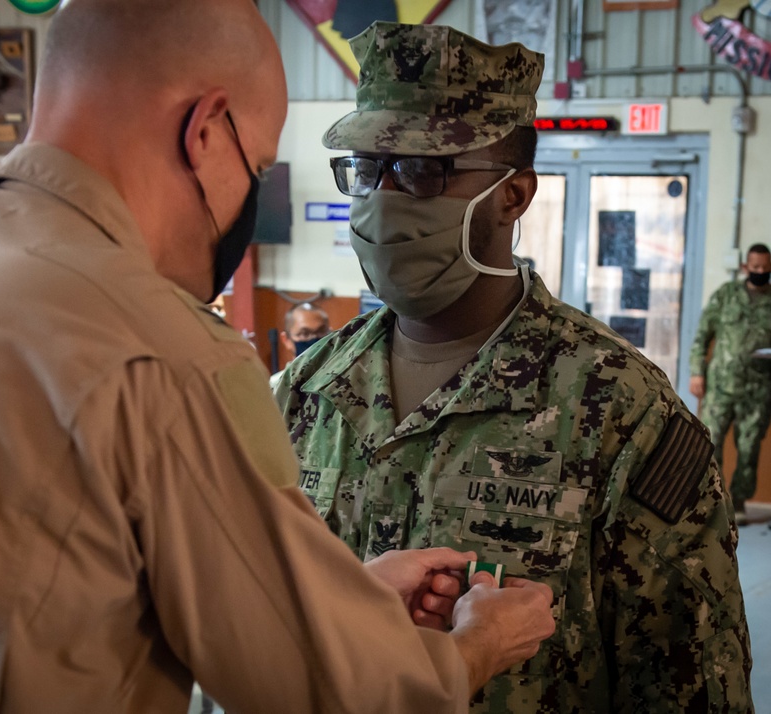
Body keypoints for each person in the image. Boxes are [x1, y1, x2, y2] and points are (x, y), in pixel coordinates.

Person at [0, 3, 556, 712]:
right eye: (256, 168)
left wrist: (340, 598)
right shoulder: (153, 349)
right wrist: (476, 646)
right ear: (207, 130)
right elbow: (338, 694)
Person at [273, 21, 753, 712]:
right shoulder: (305, 391)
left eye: (423, 168)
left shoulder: (619, 410)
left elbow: (688, 686)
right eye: (368, 169)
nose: (383, 198)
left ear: (514, 194)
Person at [690, 242, 771, 522]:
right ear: (745, 267)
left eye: (765, 267)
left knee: (749, 448)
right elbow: (702, 334)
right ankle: (713, 502)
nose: (760, 272)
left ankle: (738, 502)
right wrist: (696, 371)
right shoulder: (725, 295)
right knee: (710, 443)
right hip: (721, 386)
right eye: (755, 267)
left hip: (758, 389)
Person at [270, 301, 331, 386]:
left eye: (321, 331)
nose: (314, 339)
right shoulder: (275, 386)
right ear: (286, 339)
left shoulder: (342, 381)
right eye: (304, 334)